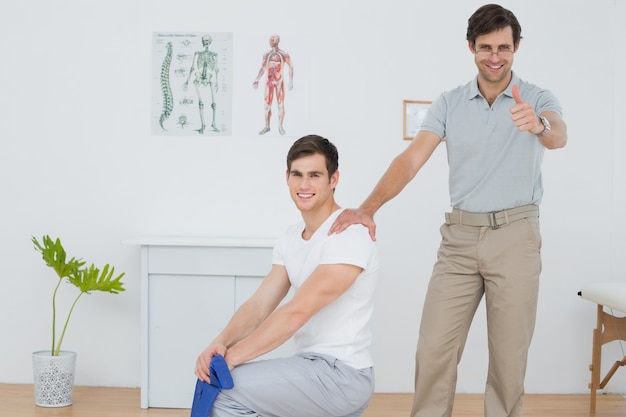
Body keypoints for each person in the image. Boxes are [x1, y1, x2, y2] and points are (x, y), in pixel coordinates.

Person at [329, 4, 567, 417]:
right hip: (459, 239)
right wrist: (368, 208)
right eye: (486, 47)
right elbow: (410, 160)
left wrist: (539, 126)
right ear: (471, 47)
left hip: (516, 236)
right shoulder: (449, 103)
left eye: (504, 48)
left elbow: (558, 135)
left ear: (517, 47)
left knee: (509, 360)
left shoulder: (537, 98)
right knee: (434, 349)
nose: (495, 56)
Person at [195, 134, 379, 417]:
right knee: (218, 380)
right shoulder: (291, 237)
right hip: (308, 366)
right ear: (287, 177)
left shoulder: (350, 235)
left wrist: (231, 359)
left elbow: (297, 311)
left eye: (315, 175)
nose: (304, 185)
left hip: (342, 374)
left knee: (221, 390)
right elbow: (260, 305)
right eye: (297, 174)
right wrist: (220, 343)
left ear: (334, 179)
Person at [252, 34, 294, 136]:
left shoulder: (284, 54)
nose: (270, 41)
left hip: (279, 81)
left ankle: (280, 126)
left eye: (272, 39)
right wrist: (257, 79)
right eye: (270, 39)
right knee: (267, 105)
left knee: (280, 104)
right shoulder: (266, 54)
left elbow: (291, 67)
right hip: (269, 82)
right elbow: (262, 68)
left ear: (278, 40)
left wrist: (291, 81)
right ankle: (267, 126)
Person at [184, 34, 220, 134]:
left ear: (210, 42)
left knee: (213, 104)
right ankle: (202, 125)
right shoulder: (197, 54)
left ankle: (213, 123)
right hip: (198, 77)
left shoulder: (214, 55)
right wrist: (187, 80)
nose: (205, 42)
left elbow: (216, 70)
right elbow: (192, 68)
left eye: (207, 40)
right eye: (204, 40)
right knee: (201, 103)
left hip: (209, 77)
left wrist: (217, 82)